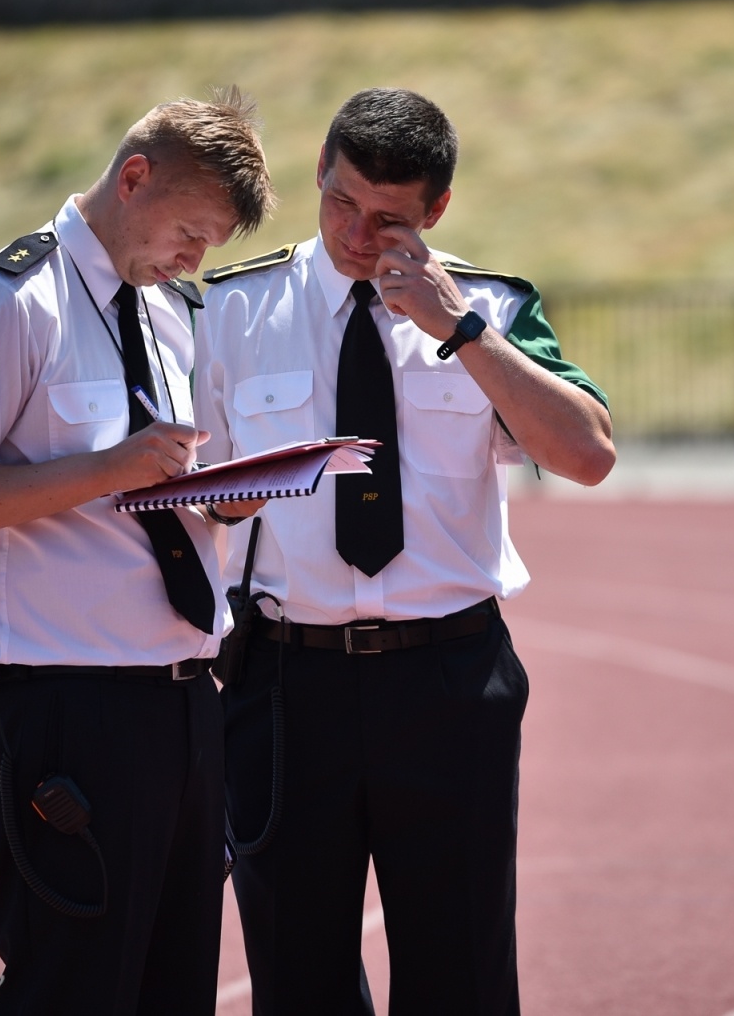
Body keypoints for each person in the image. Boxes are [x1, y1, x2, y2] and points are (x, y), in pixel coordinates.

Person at [195, 86, 616, 1015]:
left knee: (459, 972)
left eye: (388, 218)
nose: (355, 231)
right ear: (318, 171)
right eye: (340, 201)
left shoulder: (493, 307)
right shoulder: (229, 310)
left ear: (436, 212)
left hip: (447, 681)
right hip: (283, 684)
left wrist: (458, 330)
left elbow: (586, 454)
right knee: (296, 976)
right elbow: (191, 501)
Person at [0, 89, 275, 1015]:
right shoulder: (7, 303)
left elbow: (161, 488)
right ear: (134, 178)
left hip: (188, 707)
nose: (194, 259)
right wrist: (105, 469)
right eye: (190, 232)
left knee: (174, 992)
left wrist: (227, 498)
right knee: (69, 991)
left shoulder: (169, 310)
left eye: (210, 248)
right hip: (71, 711)